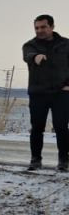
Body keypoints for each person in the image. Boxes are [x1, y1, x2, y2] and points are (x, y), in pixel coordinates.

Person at [20, 14, 69, 172]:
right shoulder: (30, 45)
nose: (39, 30)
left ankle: (64, 161)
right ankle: (35, 160)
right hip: (38, 93)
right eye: (36, 28)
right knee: (37, 128)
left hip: (60, 93)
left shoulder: (66, 45)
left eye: (43, 27)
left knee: (61, 127)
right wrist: (36, 57)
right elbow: (27, 56)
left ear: (52, 26)